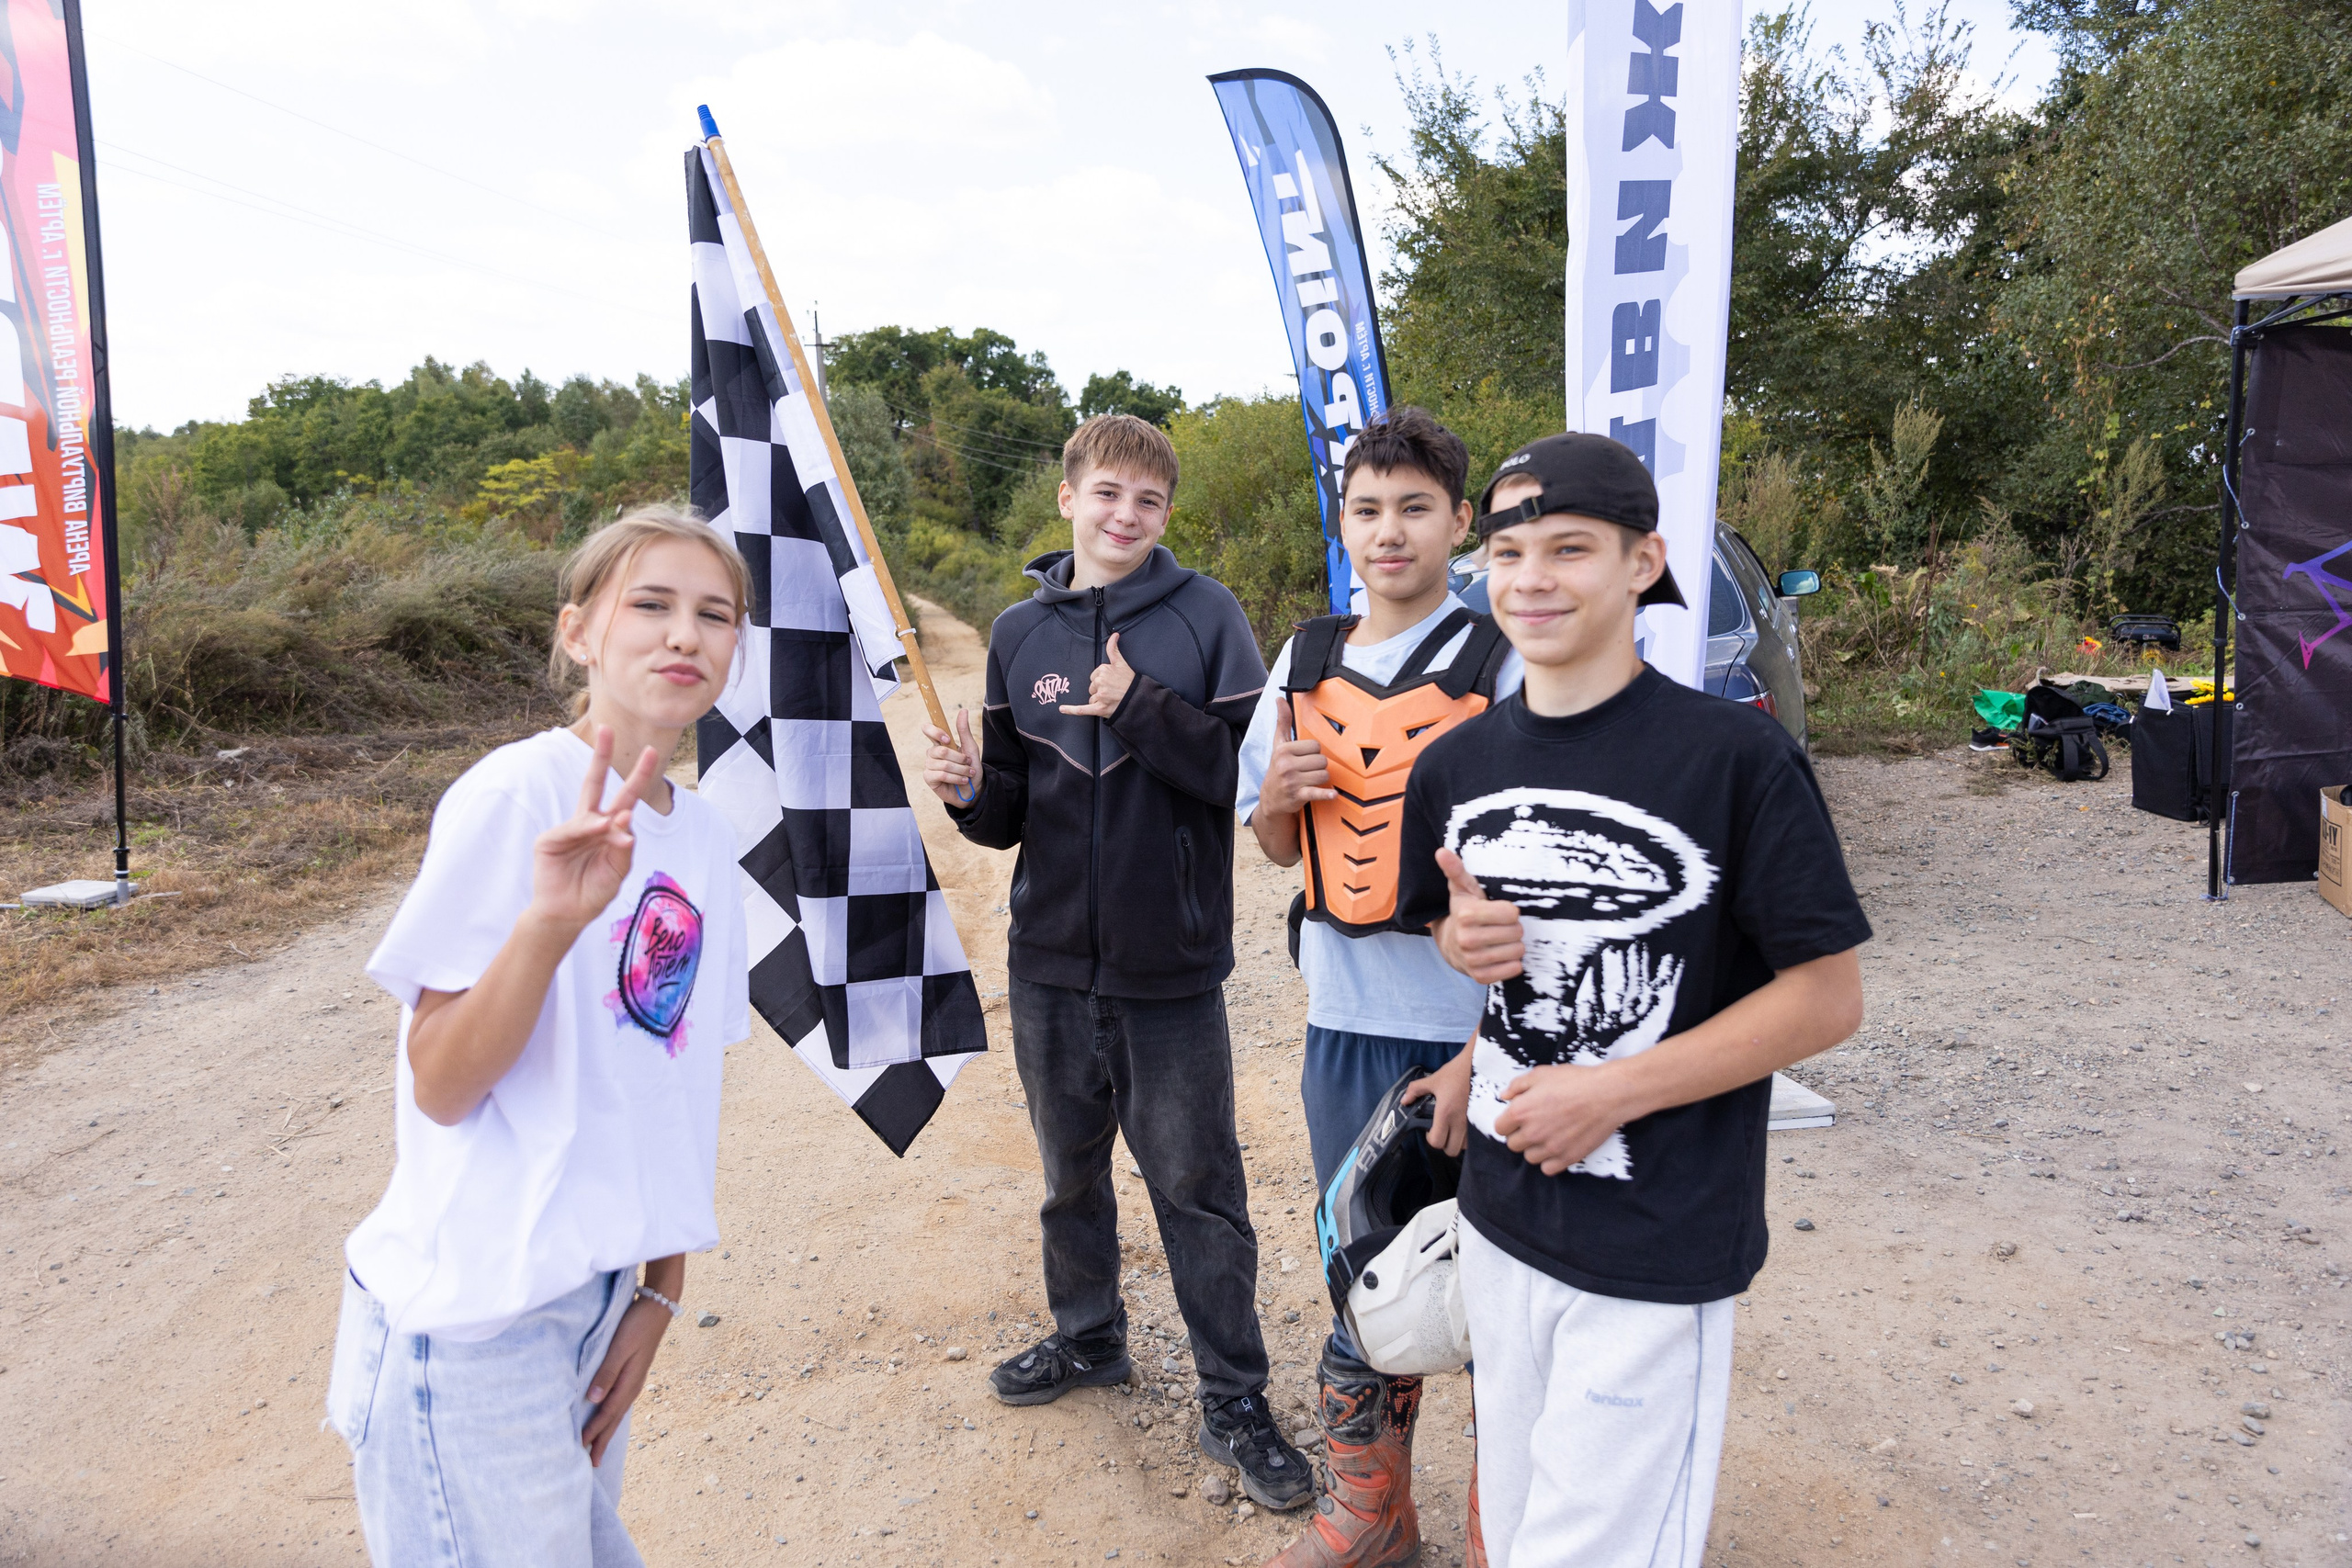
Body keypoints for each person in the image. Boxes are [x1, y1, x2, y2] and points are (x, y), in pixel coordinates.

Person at [1396, 434, 1871, 1568]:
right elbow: (1451, 933)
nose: (1531, 578)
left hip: (1657, 1239)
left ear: (1642, 563)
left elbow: (1825, 1000)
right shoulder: (1454, 767)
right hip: (1498, 1219)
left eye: (1570, 548)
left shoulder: (1733, 759)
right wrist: (1461, 946)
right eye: (1509, 552)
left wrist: (1611, 1093)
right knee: (1516, 1529)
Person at [326, 507, 754, 1567]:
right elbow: (441, 1083)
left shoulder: (704, 834)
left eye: (715, 615)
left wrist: (658, 1289)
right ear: (579, 632)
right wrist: (549, 925)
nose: (685, 635)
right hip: (479, 1321)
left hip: (597, 1302)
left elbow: (669, 1089)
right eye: (649, 604)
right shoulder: (515, 794)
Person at [920, 413, 1312, 1512]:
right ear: (1068, 499)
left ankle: (1236, 1399)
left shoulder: (1206, 615)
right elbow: (1010, 812)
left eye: (1147, 500)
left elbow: (1244, 781)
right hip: (1047, 964)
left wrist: (1137, 706)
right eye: (1106, 493)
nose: (1124, 515)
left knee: (1197, 1190)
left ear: (1166, 512)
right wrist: (968, 793)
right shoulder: (1017, 633)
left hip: (1168, 968)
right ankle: (1089, 1339)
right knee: (1068, 1179)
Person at [1236, 406, 1521, 1568]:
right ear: (1341, 522)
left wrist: (1486, 1047)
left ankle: (1509, 1529)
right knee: (1370, 1274)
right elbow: (1273, 845)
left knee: (1511, 1282)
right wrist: (1276, 802)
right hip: (1347, 1022)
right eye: (1366, 509)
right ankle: (1372, 1517)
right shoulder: (1302, 662)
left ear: (1460, 521)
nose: (1388, 531)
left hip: (1479, 1032)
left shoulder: (1506, 660)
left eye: (1414, 508)